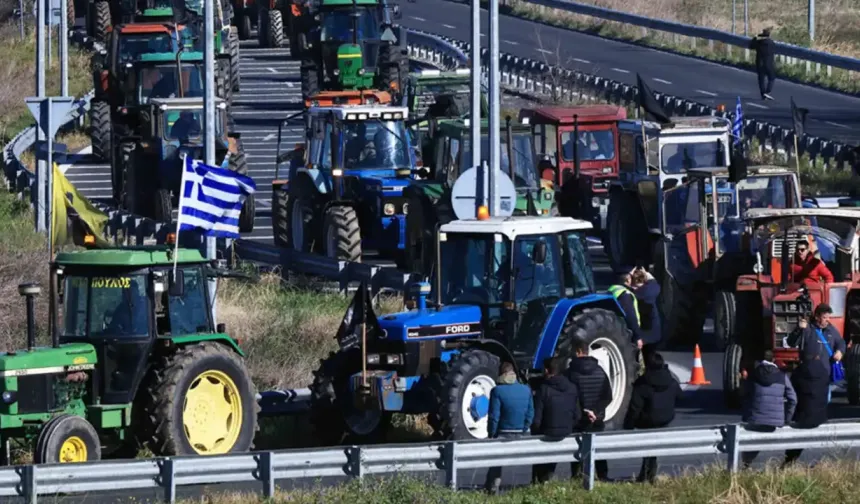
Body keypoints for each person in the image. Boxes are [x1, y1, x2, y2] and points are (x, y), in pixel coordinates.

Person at [624, 351, 683, 483]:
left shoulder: (643, 384)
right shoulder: (671, 381)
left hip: (647, 420)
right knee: (654, 448)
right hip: (665, 418)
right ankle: (651, 474)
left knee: (648, 448)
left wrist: (628, 425)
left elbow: (635, 407)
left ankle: (645, 475)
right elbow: (680, 397)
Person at [740, 349, 797, 468]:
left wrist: (746, 415)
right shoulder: (782, 376)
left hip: (755, 418)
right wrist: (787, 419)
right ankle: (785, 467)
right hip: (776, 421)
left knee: (752, 443)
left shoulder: (754, 374)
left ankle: (746, 465)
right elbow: (793, 399)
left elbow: (745, 395)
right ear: (774, 360)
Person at [485, 361, 534, 495]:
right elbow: (530, 413)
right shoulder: (526, 389)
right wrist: (524, 428)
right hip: (522, 432)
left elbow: (494, 416)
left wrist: (492, 433)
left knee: (496, 462)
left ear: (501, 374)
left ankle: (493, 487)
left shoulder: (497, 391)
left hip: (503, 432)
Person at [567, 339, 613, 481]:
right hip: (596, 418)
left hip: (579, 419)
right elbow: (608, 396)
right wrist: (595, 412)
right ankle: (603, 476)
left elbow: (571, 398)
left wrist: (584, 412)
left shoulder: (570, 373)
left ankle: (577, 476)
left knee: (578, 449)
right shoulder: (600, 371)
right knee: (597, 448)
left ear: (578, 351)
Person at [531, 357, 581, 484]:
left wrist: (535, 430)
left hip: (548, 431)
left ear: (547, 371)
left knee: (541, 453)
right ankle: (547, 477)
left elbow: (537, 418)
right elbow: (577, 415)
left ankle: (541, 480)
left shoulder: (543, 389)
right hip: (567, 431)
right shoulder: (572, 387)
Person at [788, 303, 845, 403]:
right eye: (824, 317)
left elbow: (841, 342)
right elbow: (791, 342)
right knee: (808, 401)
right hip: (808, 374)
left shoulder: (831, 330)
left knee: (824, 401)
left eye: (829, 317)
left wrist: (840, 351)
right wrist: (799, 329)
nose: (828, 320)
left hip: (825, 373)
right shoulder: (807, 329)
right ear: (817, 317)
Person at [783, 350, 830, 467]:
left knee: (796, 438)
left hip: (802, 415)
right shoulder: (824, 372)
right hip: (821, 416)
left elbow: (792, 392)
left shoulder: (799, 373)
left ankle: (788, 463)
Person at [608, 272, 644, 350]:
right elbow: (630, 316)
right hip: (627, 332)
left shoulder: (612, 290)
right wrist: (637, 336)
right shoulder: (625, 294)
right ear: (628, 279)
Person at [631, 267, 661, 350]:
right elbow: (653, 282)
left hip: (642, 335)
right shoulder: (652, 289)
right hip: (653, 334)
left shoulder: (634, 293)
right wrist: (646, 274)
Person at [749, 28, 776, 100]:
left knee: (761, 80)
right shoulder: (771, 43)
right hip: (769, 64)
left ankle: (763, 94)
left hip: (760, 63)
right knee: (771, 78)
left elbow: (751, 46)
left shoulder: (759, 43)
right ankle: (768, 91)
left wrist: (756, 37)